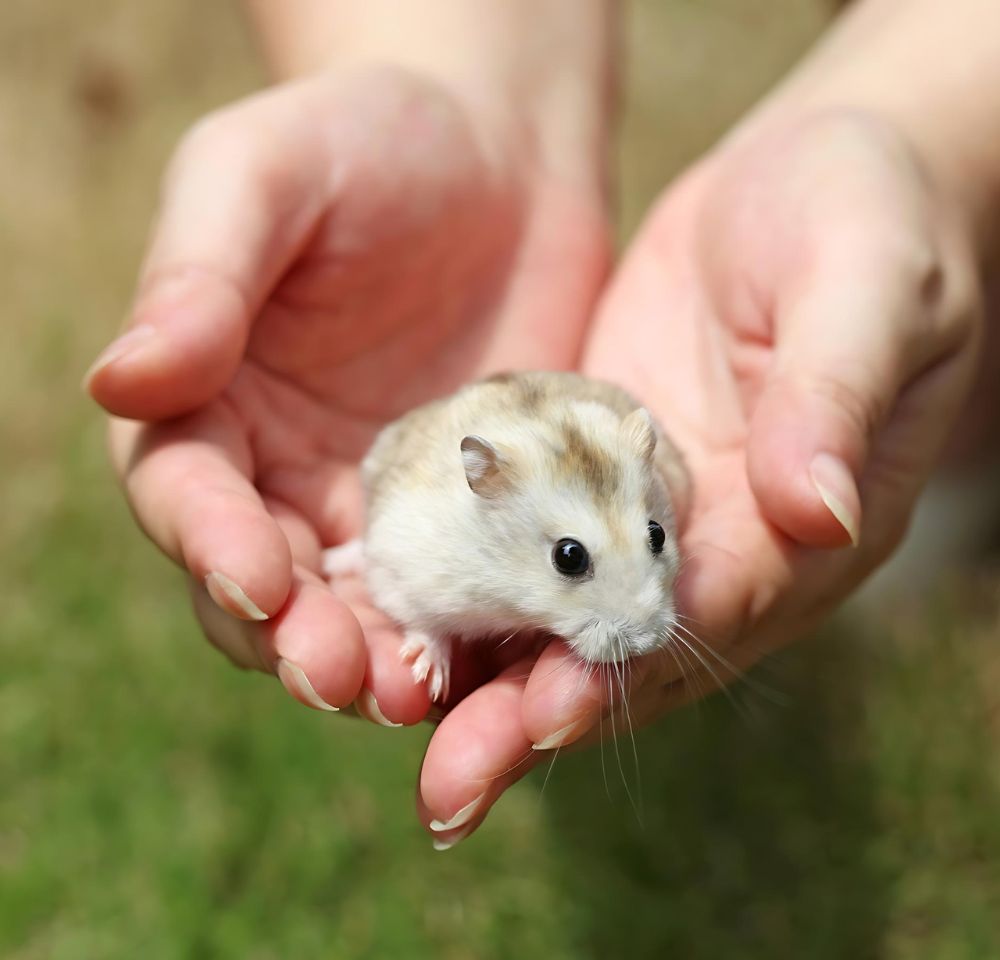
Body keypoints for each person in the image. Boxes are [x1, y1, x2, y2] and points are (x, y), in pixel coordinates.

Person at [84, 0, 998, 849]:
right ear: (484, 496)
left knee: (882, 365)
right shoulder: (442, 524)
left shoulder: (637, 456)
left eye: (652, 540)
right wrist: (469, 83)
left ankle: (960, 427)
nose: (648, 617)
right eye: (572, 560)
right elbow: (400, 545)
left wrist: (923, 135)